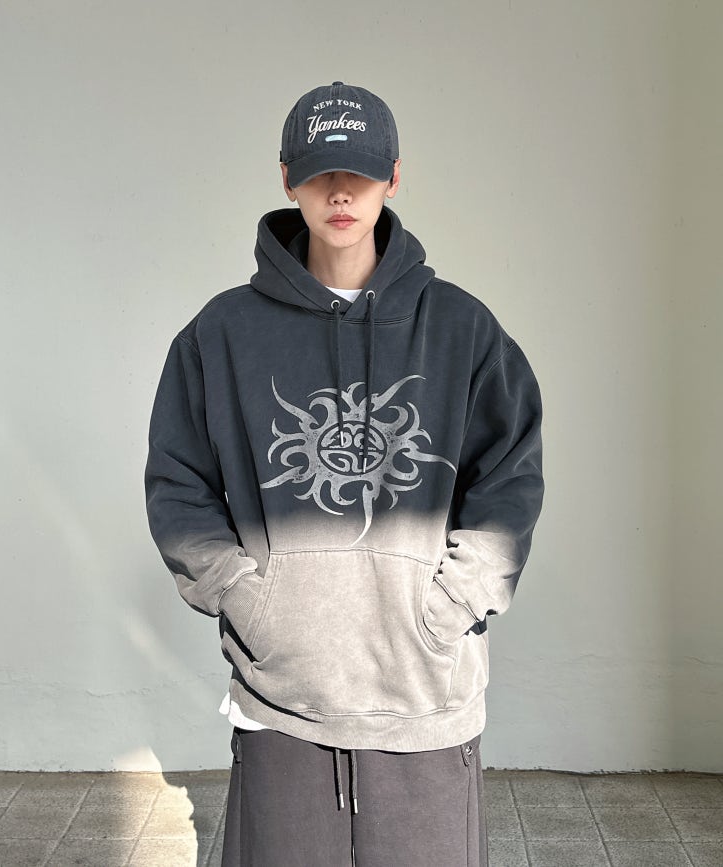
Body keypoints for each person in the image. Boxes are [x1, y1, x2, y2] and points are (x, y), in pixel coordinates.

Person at [145, 81, 544, 867]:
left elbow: (510, 478)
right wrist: (247, 600)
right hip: (282, 697)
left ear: (392, 177)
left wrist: (452, 605)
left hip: (425, 696)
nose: (338, 192)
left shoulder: (461, 328)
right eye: (320, 172)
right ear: (287, 178)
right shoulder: (220, 333)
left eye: (358, 172)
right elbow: (178, 484)